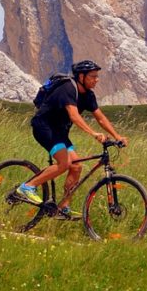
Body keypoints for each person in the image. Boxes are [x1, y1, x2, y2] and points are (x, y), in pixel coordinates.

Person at [15, 59, 128, 220]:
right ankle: (27, 187)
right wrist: (94, 134)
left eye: (97, 76)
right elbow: (74, 116)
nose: (96, 80)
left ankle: (63, 207)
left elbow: (100, 118)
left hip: (59, 132)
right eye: (93, 76)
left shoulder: (88, 95)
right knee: (64, 163)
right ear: (81, 76)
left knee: (76, 166)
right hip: (44, 127)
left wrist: (117, 136)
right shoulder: (68, 88)